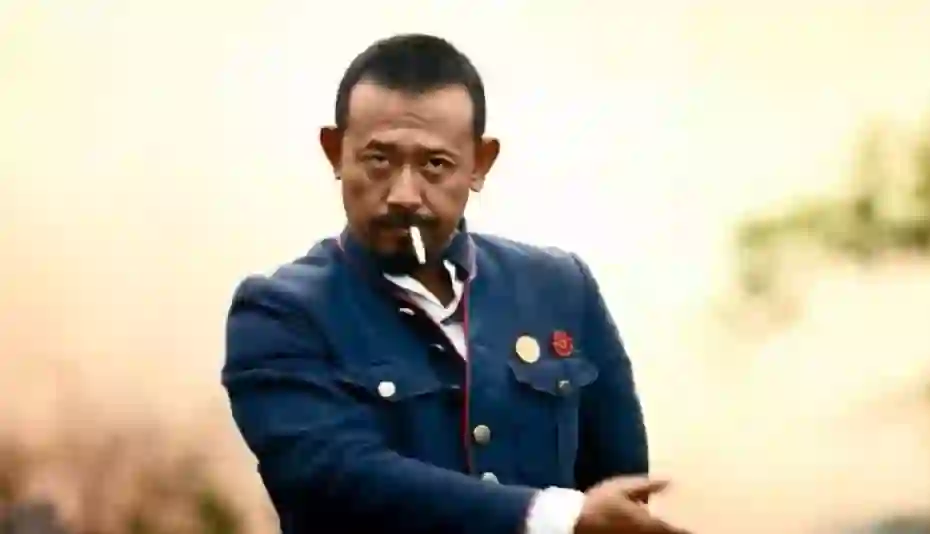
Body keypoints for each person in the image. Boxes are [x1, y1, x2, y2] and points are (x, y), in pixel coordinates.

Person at [222, 33, 692, 534]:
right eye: (379, 159)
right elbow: (332, 476)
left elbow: (617, 495)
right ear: (336, 153)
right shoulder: (279, 312)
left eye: (435, 164)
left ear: (480, 164)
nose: (404, 195)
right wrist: (555, 517)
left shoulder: (560, 288)